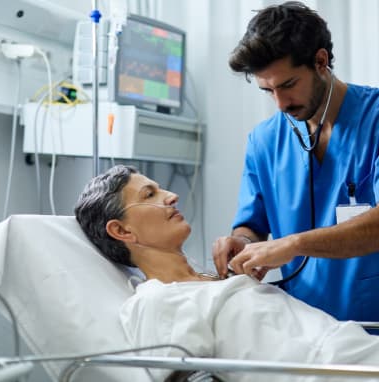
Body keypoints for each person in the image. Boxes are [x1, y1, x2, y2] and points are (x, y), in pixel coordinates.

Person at [74, 165, 379, 382]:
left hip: (358, 352)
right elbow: (187, 376)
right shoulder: (158, 299)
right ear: (122, 230)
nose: (170, 196)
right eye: (149, 194)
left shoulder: (215, 282)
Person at [212, 1, 379, 323]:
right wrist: (242, 243)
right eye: (267, 90)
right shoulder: (264, 141)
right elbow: (253, 224)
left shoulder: (373, 121)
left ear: (321, 61)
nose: (280, 103)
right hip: (304, 329)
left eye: (288, 85)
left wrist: (293, 244)